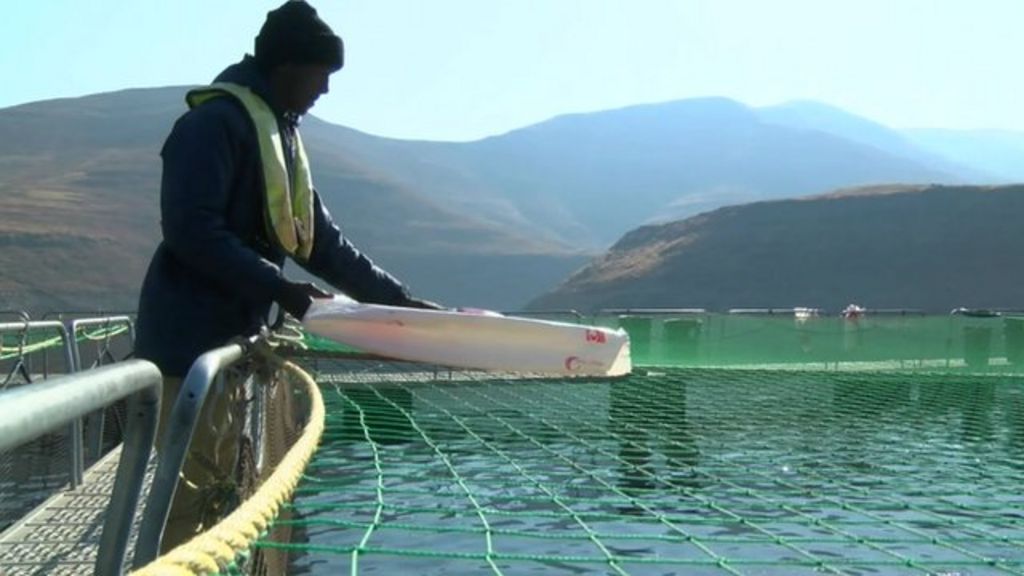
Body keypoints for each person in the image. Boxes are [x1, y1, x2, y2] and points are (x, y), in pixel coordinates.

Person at [134, 0, 440, 552]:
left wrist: (403, 303)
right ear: (287, 67)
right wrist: (280, 290)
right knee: (187, 500)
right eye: (321, 74)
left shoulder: (281, 137)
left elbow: (323, 244)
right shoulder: (212, 125)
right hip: (188, 352)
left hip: (234, 348)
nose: (324, 89)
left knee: (222, 496)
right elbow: (190, 229)